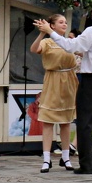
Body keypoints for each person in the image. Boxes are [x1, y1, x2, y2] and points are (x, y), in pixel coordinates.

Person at [34, 0, 92, 175]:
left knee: (84, 123)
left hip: (90, 80)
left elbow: (70, 46)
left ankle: (86, 165)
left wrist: (50, 31)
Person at [31, 14, 78, 172]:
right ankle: (46, 159)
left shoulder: (69, 42)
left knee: (66, 121)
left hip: (69, 81)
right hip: (53, 80)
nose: (65, 24)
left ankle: (66, 157)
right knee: (48, 121)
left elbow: (83, 52)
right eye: (61, 22)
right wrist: (42, 33)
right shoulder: (47, 42)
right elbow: (34, 49)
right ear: (52, 25)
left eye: (65, 22)